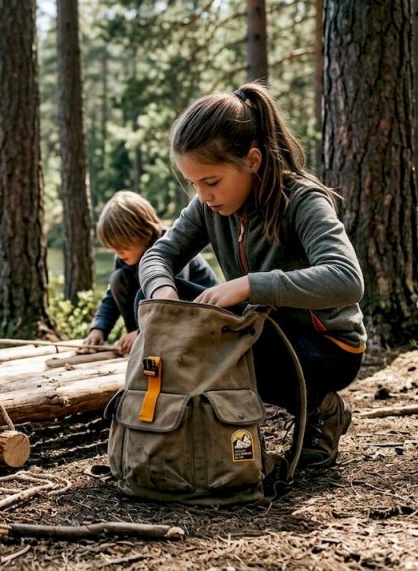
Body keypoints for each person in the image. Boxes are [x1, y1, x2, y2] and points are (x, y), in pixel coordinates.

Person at [139, 82, 366, 469]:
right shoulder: (207, 206)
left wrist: (250, 285)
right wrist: (164, 291)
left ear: (253, 160)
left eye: (211, 181)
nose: (204, 195)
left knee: (238, 342)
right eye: (194, 183)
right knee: (150, 297)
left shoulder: (303, 200)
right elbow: (158, 254)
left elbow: (347, 278)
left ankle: (323, 408)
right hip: (261, 330)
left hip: (327, 349)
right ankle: (183, 417)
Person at [82, 191, 217, 355]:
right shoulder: (125, 259)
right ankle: (141, 341)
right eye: (114, 249)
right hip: (156, 322)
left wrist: (141, 333)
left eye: (122, 247)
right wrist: (98, 328)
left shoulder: (171, 248)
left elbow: (174, 301)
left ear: (143, 233)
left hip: (200, 318)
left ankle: (145, 338)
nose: (118, 254)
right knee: (118, 279)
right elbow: (111, 297)